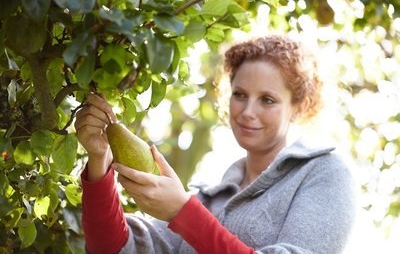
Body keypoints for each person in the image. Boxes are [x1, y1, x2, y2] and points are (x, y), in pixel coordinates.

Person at [74, 35, 356, 254]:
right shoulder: (206, 198)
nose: (247, 111)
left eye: (267, 100)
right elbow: (114, 249)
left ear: (299, 106)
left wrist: (182, 213)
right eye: (240, 94)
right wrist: (99, 162)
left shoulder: (323, 173)